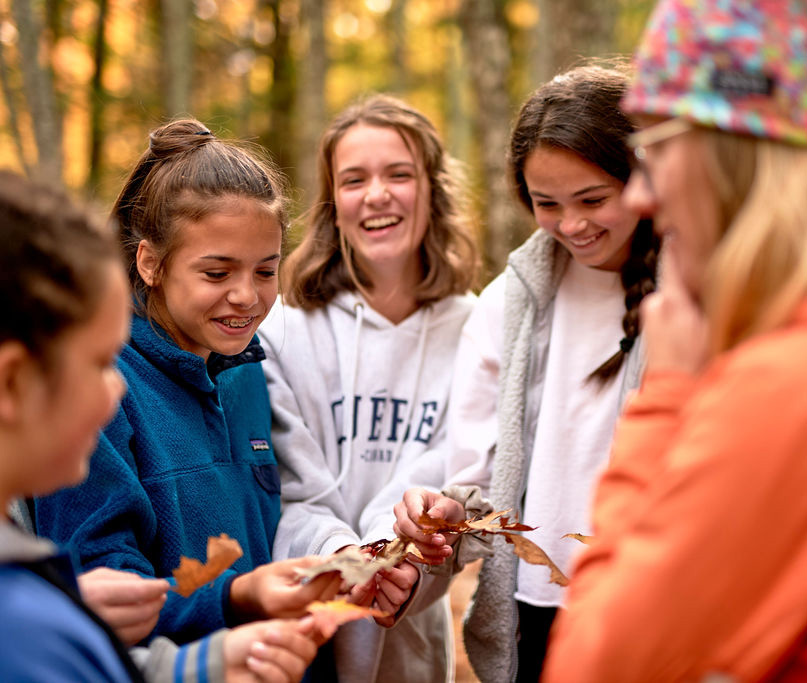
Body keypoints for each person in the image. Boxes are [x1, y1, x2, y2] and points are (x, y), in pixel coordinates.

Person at [541, 1, 807, 681]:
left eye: (653, 156)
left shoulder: (774, 386)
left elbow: (593, 664)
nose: (641, 199)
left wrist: (669, 395)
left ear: (720, 163)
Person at [393, 64, 661, 682]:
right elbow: (477, 482)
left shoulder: (699, 295)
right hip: (534, 613)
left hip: (651, 610)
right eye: (548, 204)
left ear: (644, 177)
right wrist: (442, 518)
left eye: (594, 199)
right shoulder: (506, 306)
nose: (573, 224)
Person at [0, 169, 320, 682]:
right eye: (217, 274)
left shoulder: (249, 369)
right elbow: (103, 592)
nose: (246, 295)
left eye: (265, 271)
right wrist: (234, 601)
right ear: (150, 262)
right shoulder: (90, 410)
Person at [258, 93, 480, 682]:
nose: (377, 194)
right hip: (302, 635)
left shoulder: (476, 330)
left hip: (411, 650)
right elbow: (287, 488)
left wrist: (402, 561)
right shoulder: (282, 329)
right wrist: (344, 557)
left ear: (432, 188)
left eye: (399, 174)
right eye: (354, 179)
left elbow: (462, 484)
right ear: (333, 204)